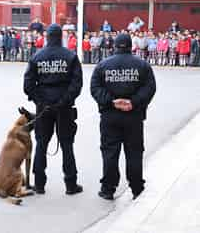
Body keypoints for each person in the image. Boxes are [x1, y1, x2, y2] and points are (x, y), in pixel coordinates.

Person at [90, 34, 156, 201]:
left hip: (109, 116)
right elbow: (150, 88)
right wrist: (133, 102)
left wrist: (112, 102)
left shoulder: (103, 65)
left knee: (110, 152)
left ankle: (108, 188)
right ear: (130, 46)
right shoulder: (142, 65)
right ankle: (136, 187)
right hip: (133, 116)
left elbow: (95, 88)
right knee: (134, 152)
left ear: (115, 46)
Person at [23, 24, 83, 195]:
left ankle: (39, 184)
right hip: (64, 107)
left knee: (41, 143)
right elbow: (77, 83)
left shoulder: (37, 57)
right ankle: (71, 184)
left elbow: (28, 85)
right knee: (67, 145)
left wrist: (40, 101)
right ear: (61, 37)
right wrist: (64, 101)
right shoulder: (70, 56)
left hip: (43, 107)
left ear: (47, 37)